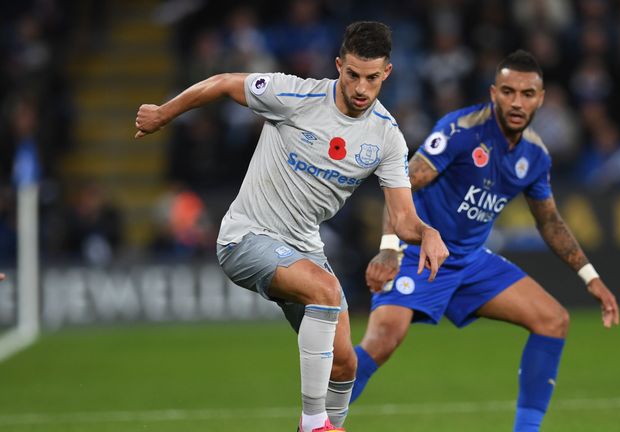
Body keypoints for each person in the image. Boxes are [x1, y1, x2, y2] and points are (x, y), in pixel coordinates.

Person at [134, 21, 449, 432]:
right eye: (352, 74)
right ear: (339, 65)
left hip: (304, 249)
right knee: (326, 289)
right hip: (245, 237)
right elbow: (224, 82)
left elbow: (403, 218)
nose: (360, 88)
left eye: (371, 78)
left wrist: (427, 233)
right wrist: (163, 113)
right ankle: (313, 425)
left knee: (345, 361)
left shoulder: (387, 137)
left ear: (386, 73)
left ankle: (329, 425)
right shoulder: (296, 95)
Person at [352, 50, 620, 432]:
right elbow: (403, 182)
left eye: (527, 94)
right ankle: (317, 420)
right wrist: (389, 249)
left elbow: (550, 222)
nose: (517, 101)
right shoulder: (461, 130)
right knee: (382, 340)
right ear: (494, 92)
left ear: (540, 99)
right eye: (508, 91)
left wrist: (591, 277)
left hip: (470, 261)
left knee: (553, 320)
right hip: (419, 253)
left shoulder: (535, 155)